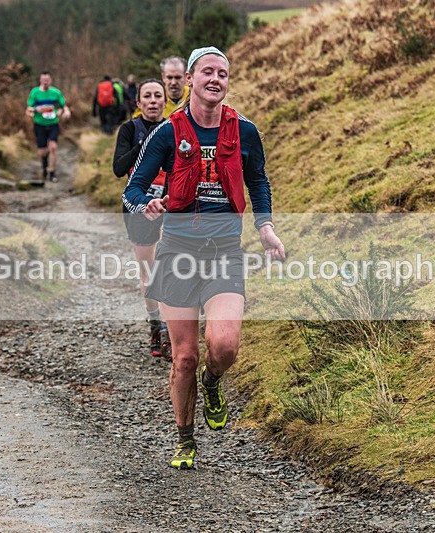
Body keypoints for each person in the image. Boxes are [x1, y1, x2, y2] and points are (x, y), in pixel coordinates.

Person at [122, 47, 285, 469]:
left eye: (223, 73)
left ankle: (213, 383)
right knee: (184, 357)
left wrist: (265, 227)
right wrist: (148, 205)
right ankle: (185, 441)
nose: (216, 79)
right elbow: (132, 189)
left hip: (225, 253)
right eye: (207, 72)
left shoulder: (244, 131)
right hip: (177, 253)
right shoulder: (167, 133)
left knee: (225, 344)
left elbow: (258, 181)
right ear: (190, 80)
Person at [112, 79, 170, 360]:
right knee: (148, 272)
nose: (153, 100)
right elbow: (118, 168)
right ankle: (155, 324)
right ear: (138, 103)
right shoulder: (129, 129)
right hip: (137, 207)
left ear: (164, 101)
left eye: (158, 96)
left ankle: (172, 329)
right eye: (147, 96)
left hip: (169, 206)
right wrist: (147, 144)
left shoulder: (174, 128)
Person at [26, 71, 70, 182]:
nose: (45, 82)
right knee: (42, 151)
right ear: (40, 81)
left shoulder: (56, 92)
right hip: (39, 125)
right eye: (43, 80)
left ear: (50, 80)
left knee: (53, 148)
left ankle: (52, 172)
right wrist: (36, 109)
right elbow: (28, 109)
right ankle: (44, 167)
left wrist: (63, 112)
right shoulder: (35, 93)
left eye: (47, 80)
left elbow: (63, 106)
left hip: (53, 124)